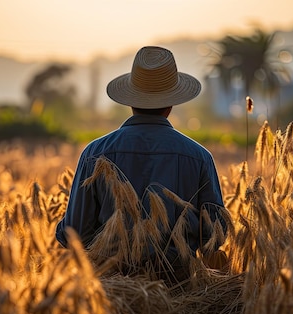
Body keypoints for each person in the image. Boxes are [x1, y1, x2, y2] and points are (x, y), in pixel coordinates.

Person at [55, 46, 227, 282]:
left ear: (130, 101)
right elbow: (214, 236)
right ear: (171, 104)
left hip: (111, 291)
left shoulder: (94, 153)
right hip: (179, 292)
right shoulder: (198, 156)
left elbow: (76, 235)